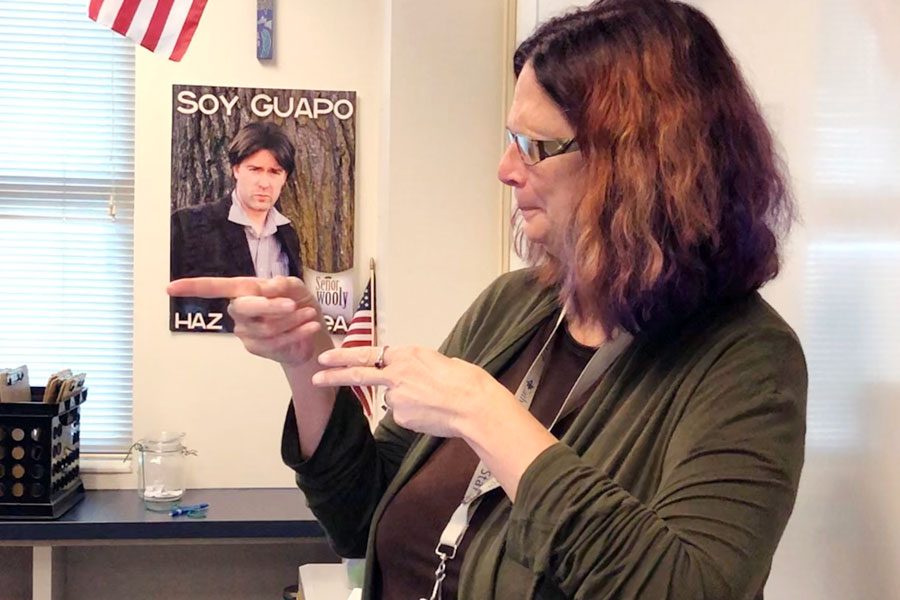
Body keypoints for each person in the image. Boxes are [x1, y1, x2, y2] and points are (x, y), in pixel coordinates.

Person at [168, 1, 806, 598]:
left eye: (534, 145)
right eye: (510, 138)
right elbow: (363, 517)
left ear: (645, 163)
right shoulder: (514, 305)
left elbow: (691, 585)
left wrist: (485, 412)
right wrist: (306, 359)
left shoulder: (748, 361)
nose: (504, 168)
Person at [170, 121, 302, 332]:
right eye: (255, 169)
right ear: (236, 169)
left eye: (274, 172)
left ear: (284, 177)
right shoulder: (188, 225)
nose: (264, 183)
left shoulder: (288, 235)